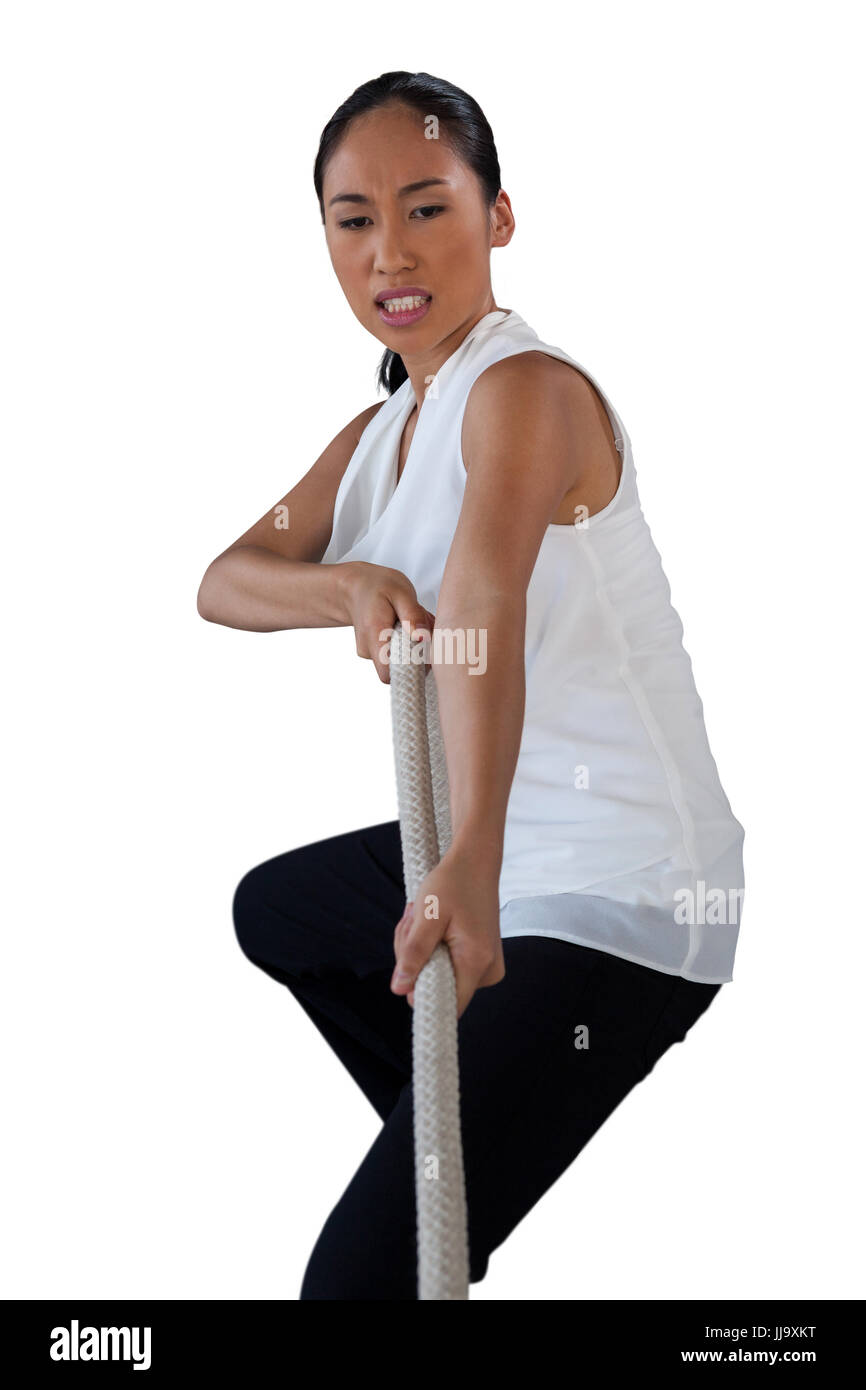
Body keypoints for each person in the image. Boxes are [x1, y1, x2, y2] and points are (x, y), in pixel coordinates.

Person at [197, 70, 746, 1300]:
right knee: (279, 911)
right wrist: (342, 586)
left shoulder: (525, 390)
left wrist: (471, 869)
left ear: (497, 218)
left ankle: (442, 1185)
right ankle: (456, 1154)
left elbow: (481, 608)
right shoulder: (382, 430)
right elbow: (227, 579)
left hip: (624, 886)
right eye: (352, 219)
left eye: (426, 206)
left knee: (348, 1289)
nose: (389, 249)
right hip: (518, 845)